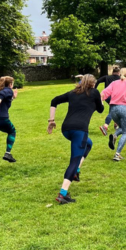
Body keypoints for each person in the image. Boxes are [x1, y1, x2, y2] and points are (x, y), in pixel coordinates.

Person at [48, 74, 104, 204]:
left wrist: (51, 120)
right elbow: (101, 109)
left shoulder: (73, 92)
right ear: (93, 84)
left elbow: (54, 100)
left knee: (88, 144)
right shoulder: (94, 92)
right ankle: (63, 193)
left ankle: (76, 170)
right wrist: (99, 100)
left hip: (66, 129)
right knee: (74, 160)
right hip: (80, 130)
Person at [100, 68, 126, 161]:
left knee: (122, 127)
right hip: (123, 109)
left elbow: (104, 93)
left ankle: (114, 136)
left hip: (113, 110)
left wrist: (101, 100)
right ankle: (117, 154)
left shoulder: (114, 83)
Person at [95, 67, 121, 136]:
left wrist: (94, 89)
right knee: (114, 110)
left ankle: (116, 124)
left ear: (113, 72)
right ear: (119, 73)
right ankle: (105, 126)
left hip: (106, 96)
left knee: (113, 109)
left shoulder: (106, 77)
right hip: (115, 97)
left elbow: (97, 81)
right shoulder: (120, 78)